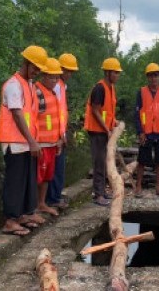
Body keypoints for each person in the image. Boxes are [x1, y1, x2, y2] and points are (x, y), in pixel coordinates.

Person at [0, 45, 49, 236]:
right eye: (34, 68)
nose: (36, 72)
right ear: (26, 63)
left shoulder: (28, 84)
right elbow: (17, 114)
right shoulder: (13, 84)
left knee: (27, 179)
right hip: (14, 141)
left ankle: (24, 214)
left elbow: (32, 115)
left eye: (39, 69)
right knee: (15, 181)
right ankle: (10, 221)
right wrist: (33, 141)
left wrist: (34, 141)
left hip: (26, 141)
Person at [84, 57, 122, 206]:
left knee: (104, 162)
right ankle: (98, 194)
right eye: (115, 72)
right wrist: (107, 129)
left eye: (118, 73)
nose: (117, 75)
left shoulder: (111, 88)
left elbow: (108, 111)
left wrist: (114, 123)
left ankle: (102, 191)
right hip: (97, 131)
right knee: (99, 162)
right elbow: (95, 110)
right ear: (107, 72)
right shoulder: (99, 88)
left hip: (104, 130)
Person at [134, 63, 159, 199]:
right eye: (151, 75)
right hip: (146, 133)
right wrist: (140, 131)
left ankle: (158, 187)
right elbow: (137, 114)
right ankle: (138, 185)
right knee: (142, 160)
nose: (153, 78)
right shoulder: (141, 92)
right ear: (147, 77)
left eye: (156, 75)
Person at [46, 53, 78, 209]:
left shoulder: (62, 86)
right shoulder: (57, 86)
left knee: (58, 167)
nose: (69, 74)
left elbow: (62, 112)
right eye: (67, 70)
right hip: (55, 135)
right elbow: (55, 113)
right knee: (56, 168)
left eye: (71, 71)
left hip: (59, 133)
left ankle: (55, 196)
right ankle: (53, 198)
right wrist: (61, 135)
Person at [34, 58, 63, 217]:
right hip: (40, 144)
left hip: (52, 143)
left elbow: (56, 118)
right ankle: (34, 206)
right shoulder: (37, 91)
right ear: (44, 75)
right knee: (38, 176)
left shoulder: (52, 92)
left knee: (47, 176)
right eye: (52, 77)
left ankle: (42, 203)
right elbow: (31, 118)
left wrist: (59, 139)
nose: (54, 80)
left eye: (57, 77)